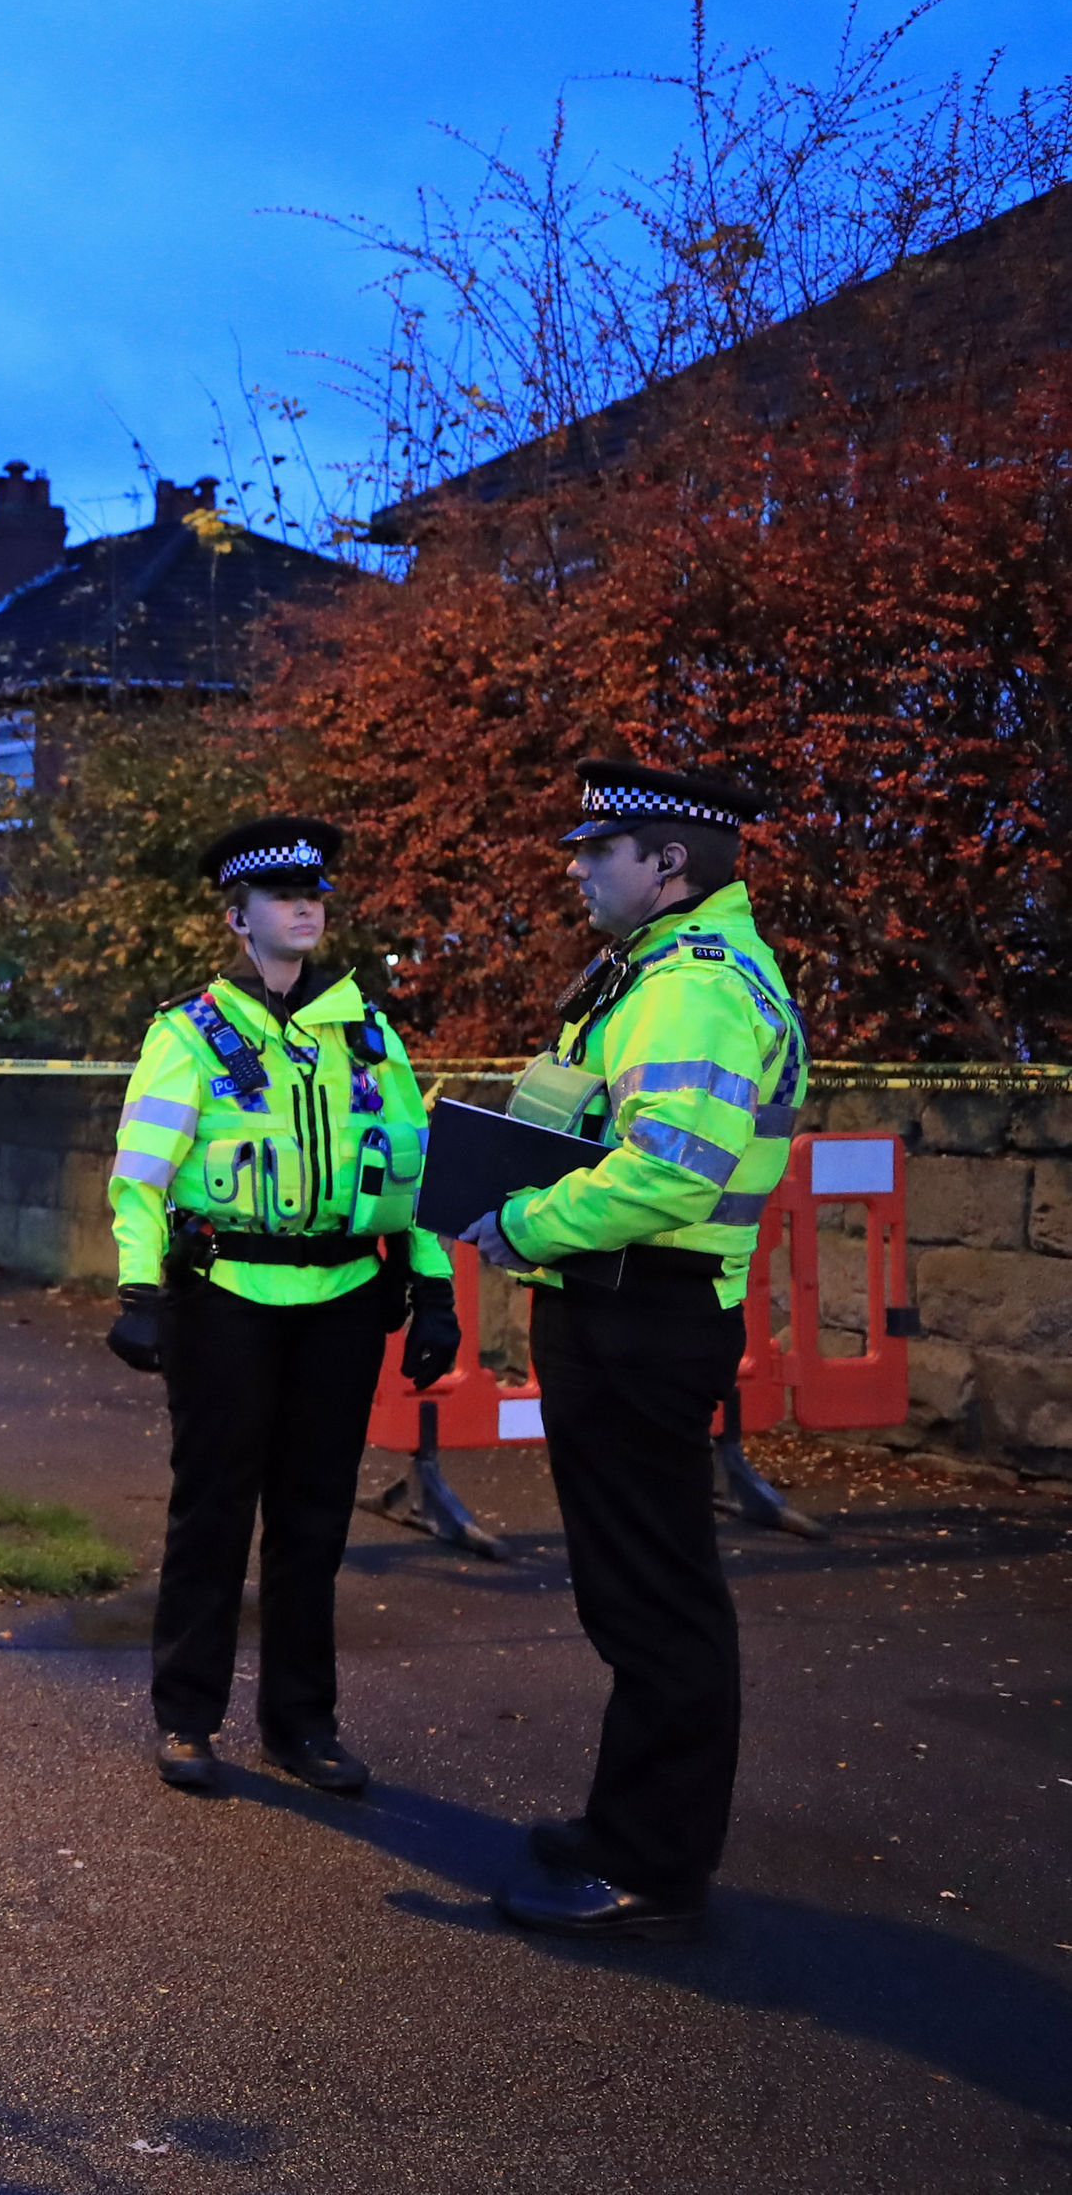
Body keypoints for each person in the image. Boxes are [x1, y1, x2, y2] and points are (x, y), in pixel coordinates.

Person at [462, 759, 803, 1944]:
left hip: (643, 1313)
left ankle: (652, 1865)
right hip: (622, 1306)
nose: (574, 866)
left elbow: (666, 1170)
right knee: (632, 1588)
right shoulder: (653, 972)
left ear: (665, 860)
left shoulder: (693, 987)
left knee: (654, 1597)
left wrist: (516, 1224)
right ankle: (624, 1829)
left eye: (594, 847)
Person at [104, 815, 460, 1795]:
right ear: (236, 915)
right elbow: (140, 1179)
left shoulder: (369, 1033)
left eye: (314, 892)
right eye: (280, 894)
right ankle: (185, 1718)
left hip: (344, 1300)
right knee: (211, 1513)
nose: (304, 904)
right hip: (225, 1300)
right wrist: (137, 1288)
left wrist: (431, 1285)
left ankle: (301, 1725)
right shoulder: (186, 1034)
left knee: (312, 1522)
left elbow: (416, 1170)